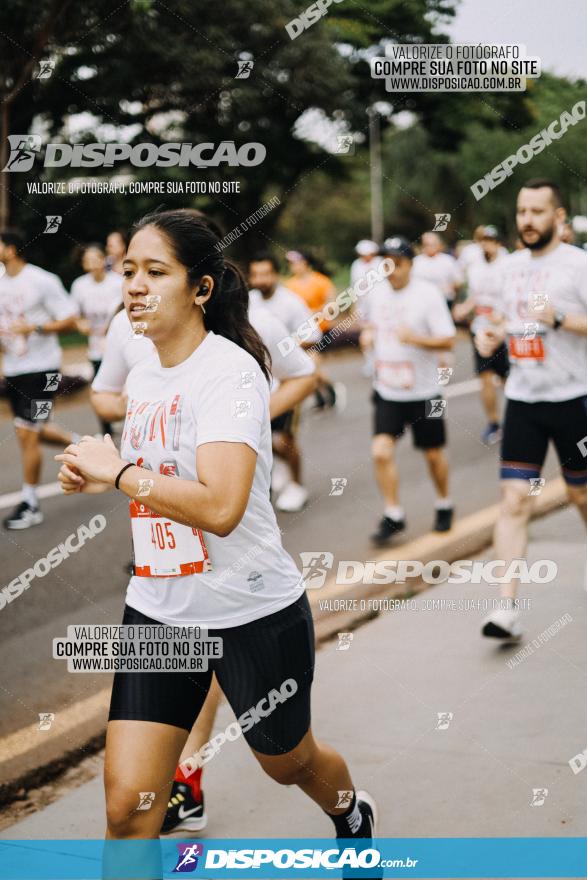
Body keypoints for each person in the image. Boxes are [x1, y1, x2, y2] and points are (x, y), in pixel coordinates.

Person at [58, 210, 376, 846]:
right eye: (128, 272)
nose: (135, 286)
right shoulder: (143, 366)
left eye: (156, 272)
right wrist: (96, 474)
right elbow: (158, 475)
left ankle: (350, 811)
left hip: (251, 609)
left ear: (201, 288)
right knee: (128, 808)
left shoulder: (230, 373)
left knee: (289, 762)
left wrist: (119, 472)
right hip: (159, 606)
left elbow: (222, 507)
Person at [475, 179, 587, 641]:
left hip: (575, 398)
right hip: (523, 397)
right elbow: (499, 320)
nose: (527, 220)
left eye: (538, 212)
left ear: (558, 218)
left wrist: (559, 319)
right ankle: (506, 607)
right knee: (514, 500)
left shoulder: (578, 265)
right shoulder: (507, 269)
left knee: (581, 497)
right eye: (522, 211)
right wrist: (491, 337)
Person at [359, 237, 456, 546]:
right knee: (380, 451)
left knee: (432, 453)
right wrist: (369, 335)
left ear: (411, 264)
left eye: (397, 264)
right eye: (386, 263)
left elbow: (448, 340)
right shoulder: (376, 293)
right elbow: (371, 325)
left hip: (427, 392)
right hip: (388, 389)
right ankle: (394, 513)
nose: (391, 270)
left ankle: (444, 503)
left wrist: (415, 339)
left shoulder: (428, 295)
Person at [0, 228, 79, 529]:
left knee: (26, 433)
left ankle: (30, 503)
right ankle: (82, 443)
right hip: (15, 371)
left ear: (11, 249)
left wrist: (35, 329)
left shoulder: (42, 280)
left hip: (44, 371)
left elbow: (70, 318)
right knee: (36, 429)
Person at [248, 254, 321, 512]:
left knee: (283, 440)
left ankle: (297, 485)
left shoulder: (291, 303)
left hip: (286, 379)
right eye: (255, 275)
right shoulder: (251, 301)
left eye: (265, 274)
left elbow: (313, 336)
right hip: (260, 384)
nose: (260, 280)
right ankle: (279, 469)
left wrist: (280, 346)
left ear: (276, 274)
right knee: (260, 439)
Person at [452, 226, 509, 445]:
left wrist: (502, 316)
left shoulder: (507, 265)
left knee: (508, 380)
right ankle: (494, 423)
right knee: (485, 378)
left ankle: (522, 416)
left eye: (491, 241)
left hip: (504, 331)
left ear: (498, 244)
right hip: (481, 330)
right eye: (483, 241)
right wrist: (464, 308)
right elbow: (476, 297)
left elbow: (516, 297)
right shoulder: (475, 267)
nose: (486, 244)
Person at [71, 243, 122, 435]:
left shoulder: (117, 282)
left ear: (104, 259)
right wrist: (81, 324)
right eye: (87, 260)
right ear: (83, 263)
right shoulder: (79, 285)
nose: (92, 263)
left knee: (126, 384)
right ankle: (106, 431)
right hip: (96, 347)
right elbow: (75, 315)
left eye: (96, 258)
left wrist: (111, 326)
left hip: (119, 343)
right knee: (101, 388)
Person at [284, 250, 342, 411]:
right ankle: (321, 396)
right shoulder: (289, 285)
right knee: (308, 366)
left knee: (311, 365)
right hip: (299, 335)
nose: (292, 266)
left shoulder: (321, 281)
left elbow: (332, 306)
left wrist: (314, 312)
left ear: (306, 263)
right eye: (290, 263)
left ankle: (329, 389)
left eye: (295, 262)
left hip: (320, 332)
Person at [351, 240, 382, 378]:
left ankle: (381, 361)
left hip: (379, 305)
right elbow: (353, 287)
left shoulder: (381, 263)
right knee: (365, 336)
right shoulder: (356, 265)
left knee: (379, 334)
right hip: (363, 306)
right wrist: (354, 307)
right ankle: (371, 362)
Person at [412, 232, 463, 308]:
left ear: (439, 245)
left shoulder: (448, 260)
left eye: (433, 244)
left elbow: (459, 281)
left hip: (445, 301)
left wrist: (450, 288)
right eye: (427, 244)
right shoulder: (416, 262)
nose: (430, 247)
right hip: (421, 301)